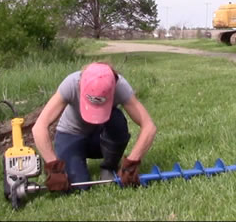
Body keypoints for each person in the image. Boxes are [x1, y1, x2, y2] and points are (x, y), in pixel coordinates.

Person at [32, 62, 157, 191]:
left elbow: (149, 126)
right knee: (79, 187)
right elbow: (39, 127)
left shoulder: (120, 86)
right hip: (71, 135)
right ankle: (76, 161)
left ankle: (109, 166)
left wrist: (131, 164)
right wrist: (54, 168)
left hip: (100, 138)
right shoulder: (71, 83)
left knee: (117, 120)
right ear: (80, 85)